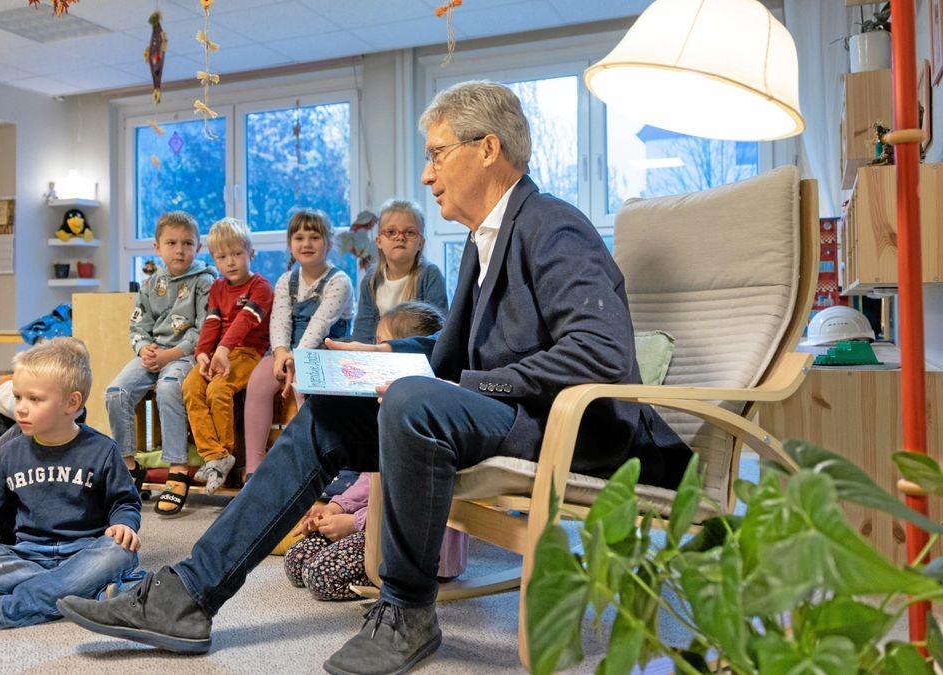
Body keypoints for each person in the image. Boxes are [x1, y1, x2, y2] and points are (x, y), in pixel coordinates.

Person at [57, 80, 691, 675]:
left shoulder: (553, 224)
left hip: (574, 429)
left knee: (416, 400)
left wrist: (466, 386)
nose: (427, 173)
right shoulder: (483, 240)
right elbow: (451, 349)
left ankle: (408, 611)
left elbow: (601, 356)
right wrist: (364, 356)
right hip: (513, 414)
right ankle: (188, 594)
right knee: (329, 408)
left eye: (439, 154)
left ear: (488, 149)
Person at [0, 337, 140, 633]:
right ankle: (90, 594)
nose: (20, 408)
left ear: (72, 402)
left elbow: (125, 502)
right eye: (18, 397)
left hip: (84, 549)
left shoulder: (103, 450)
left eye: (34, 400)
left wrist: (125, 523)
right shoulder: (10, 452)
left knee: (120, 552)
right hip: (28, 552)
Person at [283, 302, 467, 602]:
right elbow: (373, 481)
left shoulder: (427, 416)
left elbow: (413, 500)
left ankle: (395, 587)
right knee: (296, 561)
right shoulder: (386, 408)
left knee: (319, 576)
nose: (374, 351)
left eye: (382, 346)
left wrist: (355, 524)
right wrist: (337, 508)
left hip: (416, 546)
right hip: (374, 521)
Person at [156, 218, 272, 515]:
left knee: (219, 389)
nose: (230, 262)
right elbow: (211, 324)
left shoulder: (260, 287)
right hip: (218, 352)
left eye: (236, 254)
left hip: (247, 352)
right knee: (192, 385)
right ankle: (214, 457)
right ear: (214, 259)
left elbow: (245, 322)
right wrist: (203, 355)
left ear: (251, 254)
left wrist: (222, 350)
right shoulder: (218, 288)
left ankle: (225, 454)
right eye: (221, 257)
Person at [104, 211, 214, 487]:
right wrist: (144, 350)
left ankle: (178, 465)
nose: (180, 250)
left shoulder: (204, 281)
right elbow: (139, 326)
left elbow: (204, 330)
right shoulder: (151, 284)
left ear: (198, 247)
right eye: (172, 243)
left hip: (186, 355)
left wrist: (170, 355)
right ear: (157, 248)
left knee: (168, 387)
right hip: (153, 354)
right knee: (116, 392)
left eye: (188, 243)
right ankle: (129, 465)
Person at [242, 208, 353, 476]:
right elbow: (279, 321)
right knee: (257, 382)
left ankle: (312, 467)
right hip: (287, 350)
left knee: (304, 386)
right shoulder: (285, 280)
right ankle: (255, 468)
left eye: (314, 237)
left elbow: (320, 325)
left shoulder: (339, 281)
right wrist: (281, 354)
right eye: (299, 238)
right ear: (290, 244)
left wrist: (296, 359)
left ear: (328, 242)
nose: (306, 244)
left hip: (325, 350)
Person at [349, 199, 448, 344]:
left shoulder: (430, 274)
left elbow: (439, 328)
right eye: (391, 232)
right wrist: (360, 355)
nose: (400, 237)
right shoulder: (371, 279)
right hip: (378, 353)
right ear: (379, 242)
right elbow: (363, 328)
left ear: (420, 243)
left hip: (417, 353)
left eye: (410, 232)